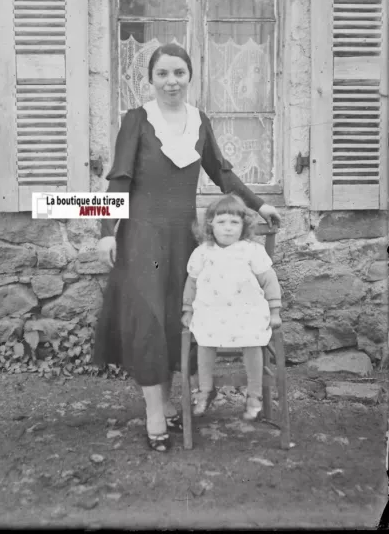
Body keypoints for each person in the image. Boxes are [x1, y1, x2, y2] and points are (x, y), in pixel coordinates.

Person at [94, 43, 281, 452]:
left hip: (183, 238)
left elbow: (223, 174)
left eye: (179, 72)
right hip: (142, 237)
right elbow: (119, 181)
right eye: (162, 73)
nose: (171, 81)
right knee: (148, 320)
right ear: (151, 78)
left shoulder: (199, 121)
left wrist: (260, 204)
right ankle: (154, 413)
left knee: (173, 324)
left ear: (190, 76)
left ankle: (166, 403)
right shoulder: (136, 120)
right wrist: (107, 231)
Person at [181, 194, 282, 420]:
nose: (228, 229)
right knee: (205, 341)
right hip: (211, 312)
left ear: (243, 225)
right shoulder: (203, 252)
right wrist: (187, 310)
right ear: (210, 224)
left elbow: (269, 280)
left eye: (234, 223)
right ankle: (205, 389)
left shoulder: (251, 250)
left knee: (253, 341)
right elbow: (192, 282)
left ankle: (254, 394)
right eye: (221, 222)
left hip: (246, 312)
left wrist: (275, 311)